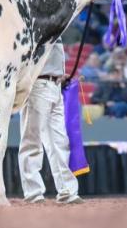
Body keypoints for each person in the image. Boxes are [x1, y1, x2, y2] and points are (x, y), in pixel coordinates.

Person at [19, 39, 83, 204]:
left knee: (60, 141)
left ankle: (67, 191)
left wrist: (58, 74)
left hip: (55, 85)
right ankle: (33, 192)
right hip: (37, 84)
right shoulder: (35, 23)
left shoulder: (56, 25)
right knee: (32, 140)